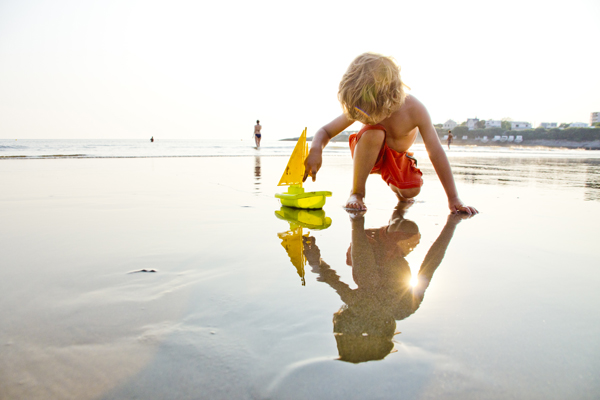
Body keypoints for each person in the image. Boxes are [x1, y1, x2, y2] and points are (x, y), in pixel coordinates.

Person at [303, 52, 477, 215]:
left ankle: (398, 190)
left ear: (390, 98)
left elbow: (436, 152)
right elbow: (325, 131)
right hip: (368, 151)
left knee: (411, 192)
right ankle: (357, 192)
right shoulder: (364, 106)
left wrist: (453, 198)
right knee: (374, 132)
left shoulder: (415, 110)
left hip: (397, 157)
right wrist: (316, 149)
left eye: (370, 113)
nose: (366, 117)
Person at [303, 205, 472, 363]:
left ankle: (367, 219)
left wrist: (313, 258)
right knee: (401, 233)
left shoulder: (370, 304)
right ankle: (390, 212)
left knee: (369, 279)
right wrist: (451, 224)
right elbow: (429, 266)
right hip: (392, 245)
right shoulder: (403, 307)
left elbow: (329, 278)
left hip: (373, 243)